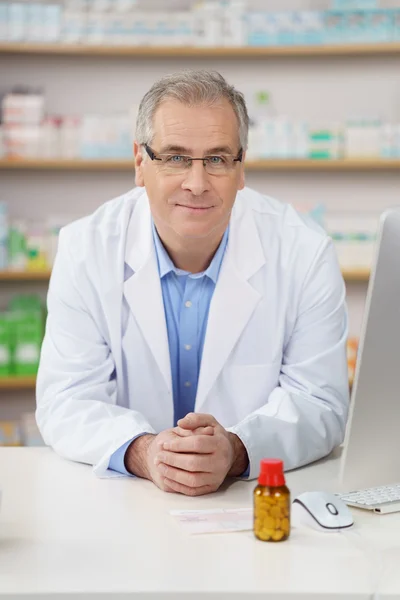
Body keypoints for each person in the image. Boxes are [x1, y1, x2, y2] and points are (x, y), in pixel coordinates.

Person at [36, 70, 349, 496]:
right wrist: (144, 453)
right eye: (175, 157)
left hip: (250, 500)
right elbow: (65, 400)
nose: (197, 183)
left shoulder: (303, 252)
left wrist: (237, 449)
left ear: (241, 168)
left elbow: (321, 405)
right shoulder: (86, 248)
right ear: (139, 163)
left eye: (217, 159)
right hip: (128, 502)